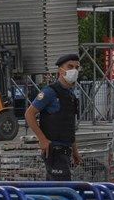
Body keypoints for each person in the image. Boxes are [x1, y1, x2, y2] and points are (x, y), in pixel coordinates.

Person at [25, 53, 82, 181]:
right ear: (60, 70)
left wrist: (75, 151)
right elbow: (29, 114)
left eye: (76, 68)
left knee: (57, 191)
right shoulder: (50, 92)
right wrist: (42, 139)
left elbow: (68, 126)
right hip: (54, 150)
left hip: (65, 151)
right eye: (70, 66)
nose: (74, 70)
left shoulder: (70, 96)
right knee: (62, 191)